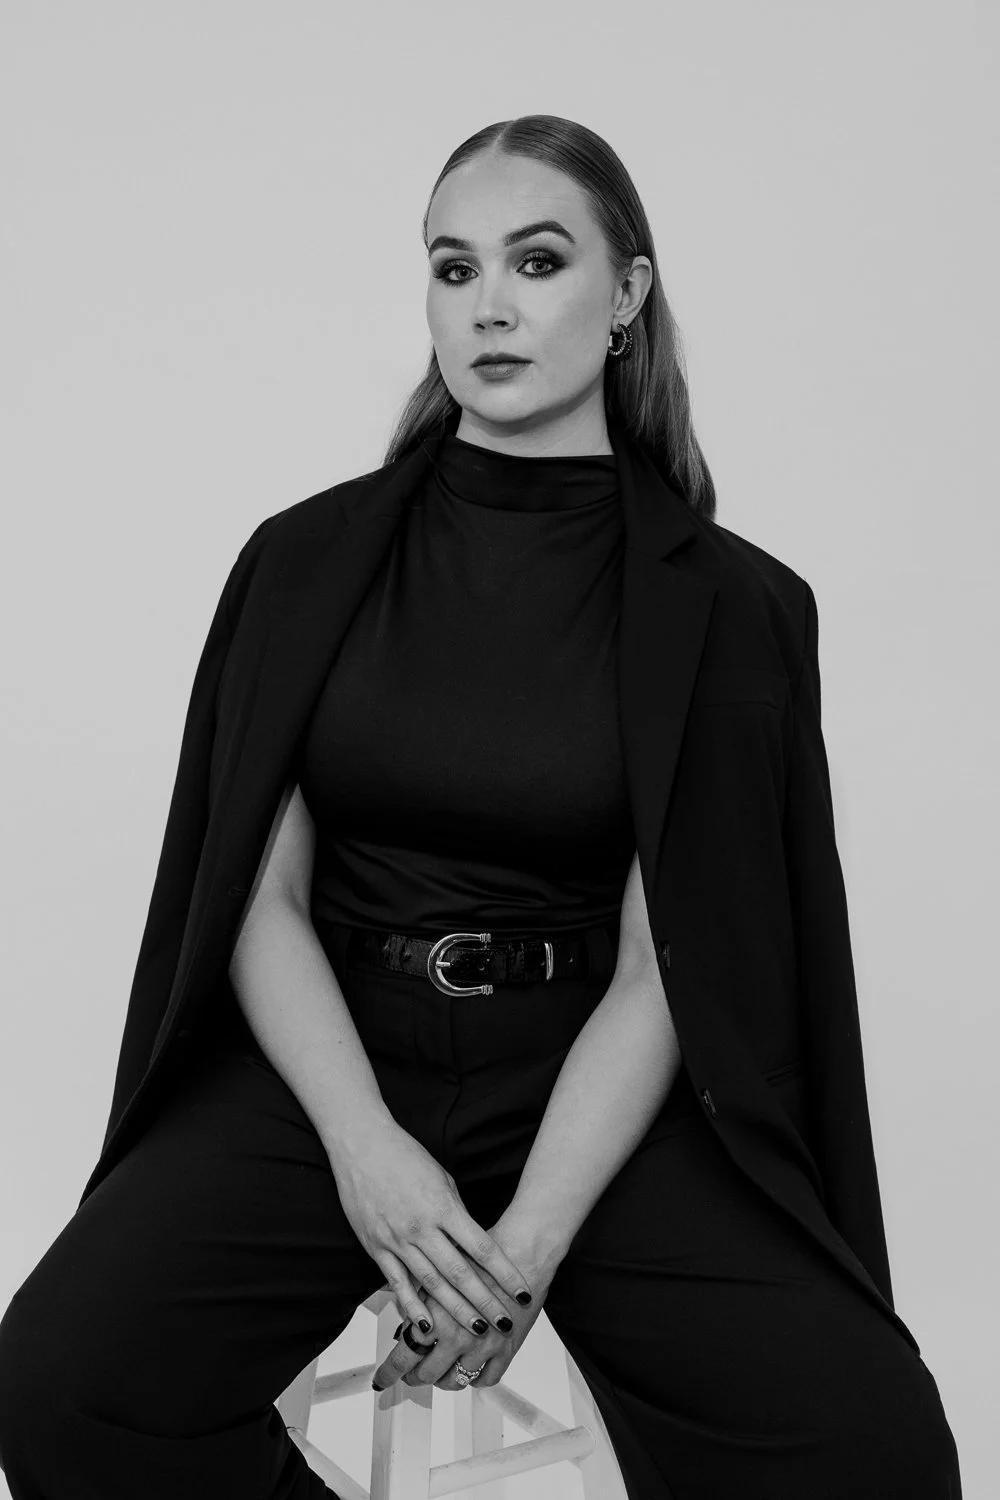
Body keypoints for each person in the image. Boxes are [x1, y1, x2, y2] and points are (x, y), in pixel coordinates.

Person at [0, 114, 962, 1499]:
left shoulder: (734, 606)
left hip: (595, 1078)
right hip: (336, 1062)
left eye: (538, 260)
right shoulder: (304, 561)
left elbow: (664, 966)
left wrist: (521, 1254)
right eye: (456, 270)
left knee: (866, 1445)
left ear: (628, 295)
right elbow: (258, 904)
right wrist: (370, 1159)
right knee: (67, 1380)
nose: (491, 305)